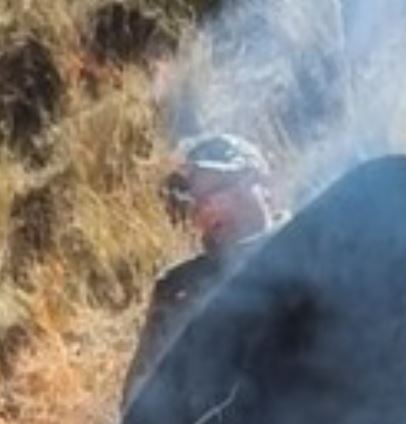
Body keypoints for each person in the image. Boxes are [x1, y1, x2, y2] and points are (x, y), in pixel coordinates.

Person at [121, 133, 285, 408]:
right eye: (197, 198)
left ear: (261, 183)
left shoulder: (315, 246)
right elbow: (138, 405)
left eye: (217, 189)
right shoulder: (178, 290)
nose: (205, 207)